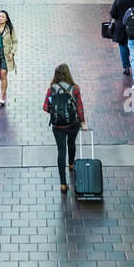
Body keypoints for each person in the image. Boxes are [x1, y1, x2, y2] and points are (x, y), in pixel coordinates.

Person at [43, 64, 86, 195]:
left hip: (58, 126)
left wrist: (55, 110)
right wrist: (82, 122)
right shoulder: (75, 88)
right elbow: (79, 107)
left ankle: (63, 183)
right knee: (71, 143)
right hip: (73, 124)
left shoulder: (51, 90)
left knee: (61, 151)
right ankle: (71, 164)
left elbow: (45, 107)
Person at [108, 0, 134, 76]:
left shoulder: (118, 1)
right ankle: (133, 64)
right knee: (131, 46)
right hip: (131, 27)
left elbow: (113, 14)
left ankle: (126, 67)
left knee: (123, 46)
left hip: (120, 27)